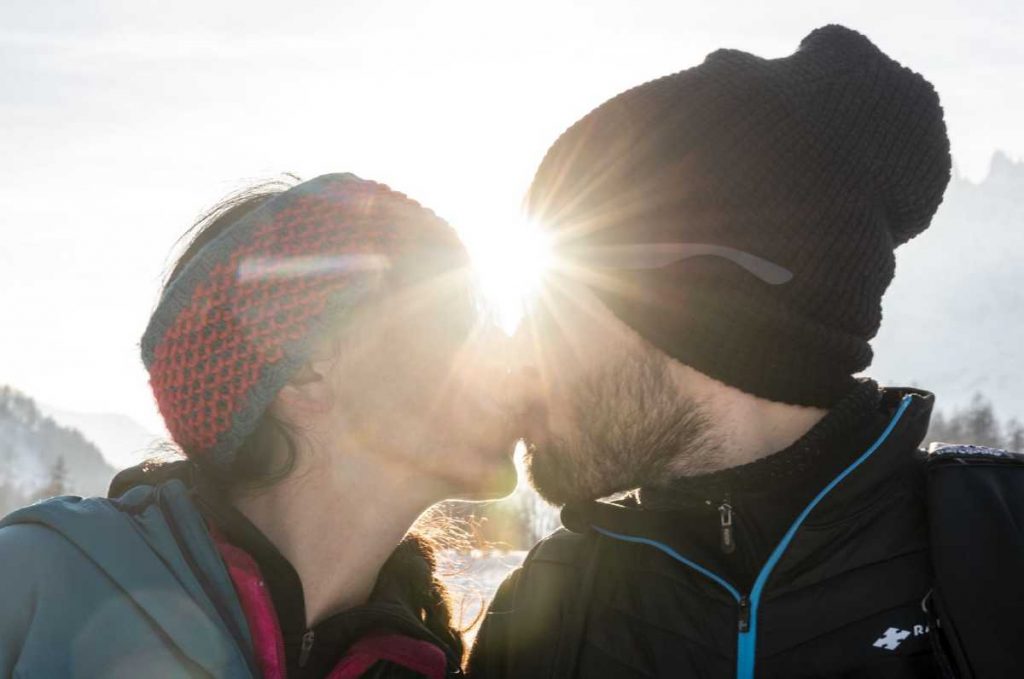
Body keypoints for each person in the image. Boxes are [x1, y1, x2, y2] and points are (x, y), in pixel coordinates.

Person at [468, 25, 1021, 678]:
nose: (517, 356)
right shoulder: (542, 611)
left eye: (550, 306)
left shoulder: (1002, 554)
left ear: (699, 305)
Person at [0, 173, 519, 678]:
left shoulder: (421, 664)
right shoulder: (34, 583)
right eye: (460, 316)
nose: (509, 351)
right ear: (304, 369)